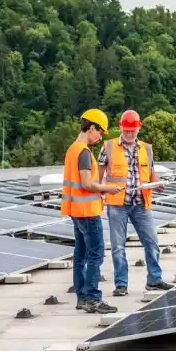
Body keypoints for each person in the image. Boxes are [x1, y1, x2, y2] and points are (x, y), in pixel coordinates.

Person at [98, 109, 175, 297]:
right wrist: (99, 193)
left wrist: (158, 185)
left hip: (141, 203)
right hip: (118, 204)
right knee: (118, 246)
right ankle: (121, 284)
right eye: (127, 130)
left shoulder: (147, 149)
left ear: (138, 129)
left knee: (152, 242)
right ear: (121, 128)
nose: (130, 134)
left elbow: (151, 174)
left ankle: (154, 279)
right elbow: (98, 178)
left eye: (133, 130)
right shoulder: (108, 147)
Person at [62, 109, 121, 314]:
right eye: (100, 132)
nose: (100, 137)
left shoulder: (72, 149)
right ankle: (93, 298)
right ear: (92, 128)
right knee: (95, 255)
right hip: (88, 212)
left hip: (76, 211)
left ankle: (81, 298)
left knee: (80, 255)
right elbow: (87, 184)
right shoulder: (84, 152)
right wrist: (108, 188)